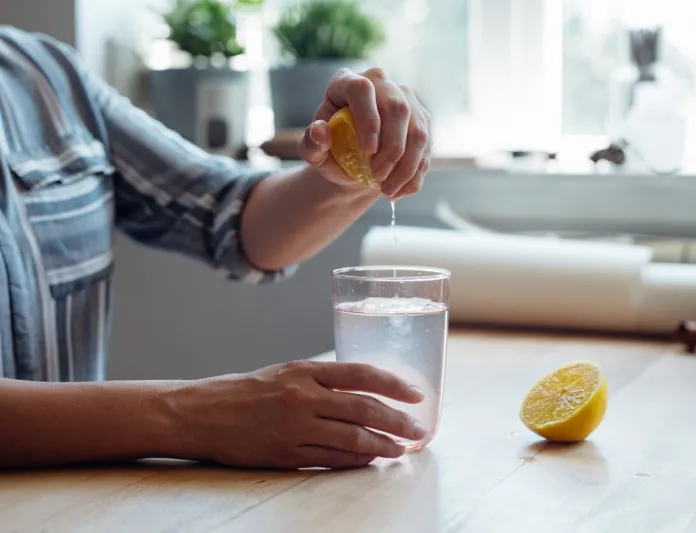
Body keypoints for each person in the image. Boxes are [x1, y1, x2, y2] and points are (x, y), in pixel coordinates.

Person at [0, 27, 433, 470]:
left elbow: (230, 214)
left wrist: (348, 167)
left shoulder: (45, 75)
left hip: (77, 507)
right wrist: (191, 416)